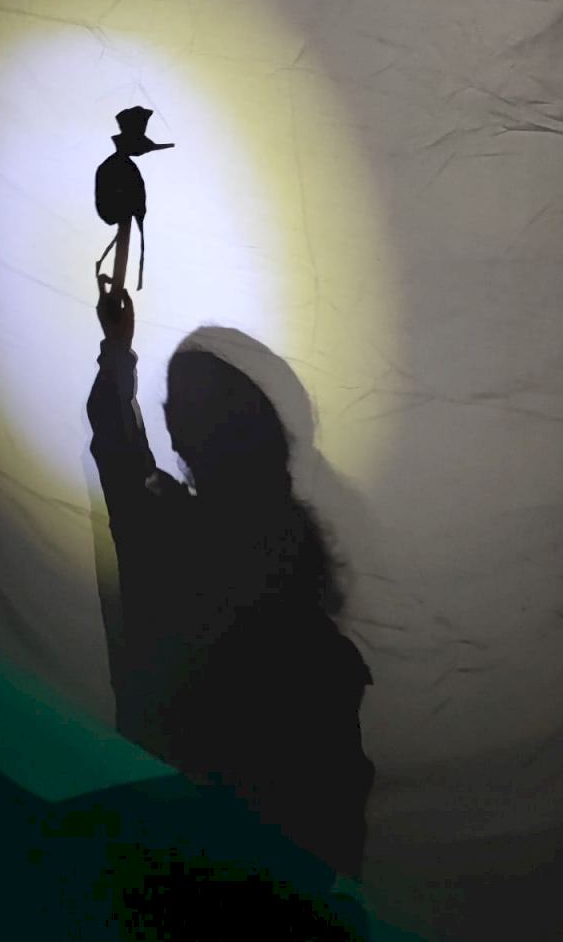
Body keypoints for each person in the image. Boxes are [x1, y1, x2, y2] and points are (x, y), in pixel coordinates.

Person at [86, 277, 375, 891]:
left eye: (186, 406)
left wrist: (118, 351)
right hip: (210, 871)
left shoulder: (175, 539)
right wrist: (117, 349)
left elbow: (116, 444)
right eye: (175, 404)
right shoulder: (288, 589)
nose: (172, 419)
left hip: (185, 865)